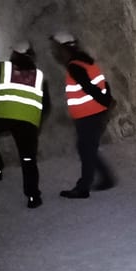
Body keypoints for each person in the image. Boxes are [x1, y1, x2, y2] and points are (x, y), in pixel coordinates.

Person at [0, 41, 48, 209]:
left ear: (14, 54)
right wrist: (37, 123)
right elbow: (46, 104)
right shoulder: (39, 76)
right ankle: (33, 197)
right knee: (28, 159)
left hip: (2, 117)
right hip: (27, 123)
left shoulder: (3, 68)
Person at [50, 32, 116, 198]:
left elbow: (89, 87)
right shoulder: (86, 61)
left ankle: (83, 187)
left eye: (57, 49)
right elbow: (102, 83)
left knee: (86, 149)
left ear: (65, 49)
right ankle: (105, 178)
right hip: (94, 114)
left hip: (89, 116)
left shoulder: (75, 66)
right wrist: (107, 100)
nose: (56, 52)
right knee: (87, 148)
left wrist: (106, 101)